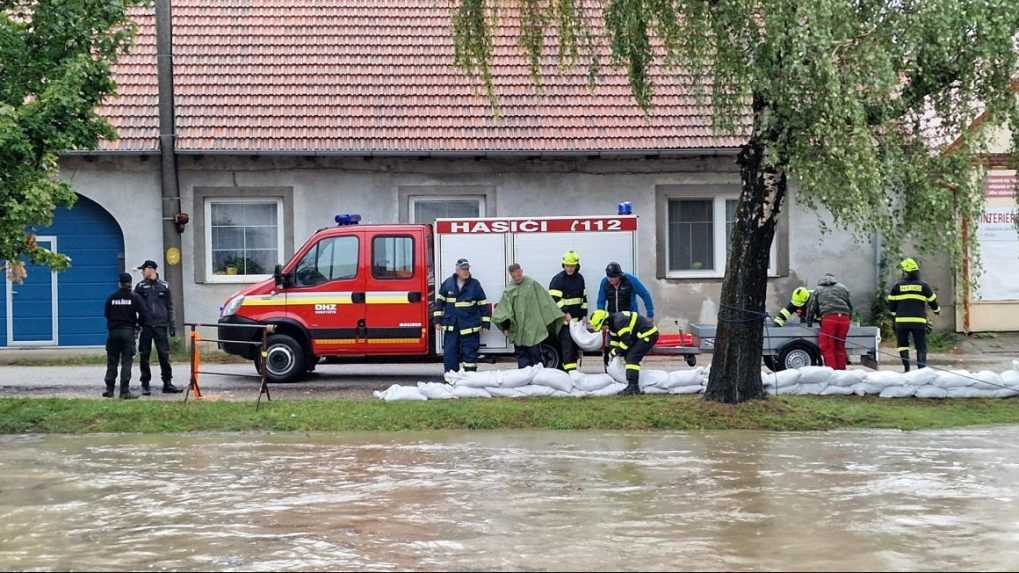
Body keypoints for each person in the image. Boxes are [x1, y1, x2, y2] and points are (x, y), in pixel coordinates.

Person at [493, 264, 564, 368]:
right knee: (522, 358)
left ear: (521, 271)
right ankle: (525, 380)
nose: (517, 278)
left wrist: (557, 314)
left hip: (533, 329)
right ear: (511, 276)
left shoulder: (532, 284)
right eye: (514, 276)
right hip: (518, 330)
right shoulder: (509, 290)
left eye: (518, 275)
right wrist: (505, 327)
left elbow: (545, 301)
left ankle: (539, 380)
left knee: (536, 357)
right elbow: (504, 310)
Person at [433, 258, 491, 373]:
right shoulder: (448, 283)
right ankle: (451, 379)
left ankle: (469, 380)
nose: (466, 271)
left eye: (467, 269)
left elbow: (483, 304)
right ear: (457, 270)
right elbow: (439, 303)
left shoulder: (475, 284)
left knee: (470, 354)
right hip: (452, 326)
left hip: (469, 326)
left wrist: (486, 323)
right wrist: (437, 321)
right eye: (463, 269)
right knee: (450, 354)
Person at [134, 260, 182, 394]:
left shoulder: (164, 285)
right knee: (144, 355)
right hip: (146, 325)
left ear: (151, 270)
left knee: (164, 355)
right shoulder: (140, 286)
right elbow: (134, 307)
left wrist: (172, 325)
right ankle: (145, 383)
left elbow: (170, 306)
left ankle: (167, 383)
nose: (143, 272)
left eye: (144, 270)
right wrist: (137, 326)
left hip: (161, 325)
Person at [590, 309, 659, 396]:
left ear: (606, 322)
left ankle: (633, 387)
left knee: (632, 357)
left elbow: (626, 342)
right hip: (639, 336)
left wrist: (615, 352)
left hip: (648, 334)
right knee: (629, 356)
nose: (602, 330)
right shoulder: (612, 325)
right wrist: (612, 352)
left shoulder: (619, 322)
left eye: (601, 327)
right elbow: (614, 341)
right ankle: (632, 386)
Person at [888, 258, 940, 371]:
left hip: (901, 322)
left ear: (905, 272)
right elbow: (933, 301)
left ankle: (907, 369)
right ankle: (921, 370)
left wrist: (894, 317)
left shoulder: (897, 286)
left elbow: (891, 305)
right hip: (918, 321)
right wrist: (937, 311)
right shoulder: (923, 285)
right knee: (920, 346)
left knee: (903, 345)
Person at [103, 273, 147, 399]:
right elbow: (144, 314)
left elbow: (107, 314)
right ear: (130, 283)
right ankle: (124, 391)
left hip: (113, 333)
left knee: (112, 361)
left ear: (119, 283)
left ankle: (110, 389)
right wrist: (138, 325)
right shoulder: (135, 297)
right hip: (128, 332)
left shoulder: (112, 298)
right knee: (126, 362)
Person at [549, 250, 587, 372]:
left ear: (576, 266)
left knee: (575, 348)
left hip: (577, 322)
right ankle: (568, 373)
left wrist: (584, 315)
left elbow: (583, 298)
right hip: (564, 322)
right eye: (567, 266)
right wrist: (565, 312)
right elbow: (554, 299)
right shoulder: (558, 279)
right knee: (567, 347)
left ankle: (573, 371)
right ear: (563, 265)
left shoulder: (580, 279)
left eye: (572, 266)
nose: (569, 268)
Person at [805, 273, 853, 370]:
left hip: (829, 319)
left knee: (827, 346)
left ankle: (832, 372)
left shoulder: (818, 289)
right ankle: (841, 372)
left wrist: (809, 322)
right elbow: (850, 305)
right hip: (844, 319)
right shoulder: (843, 288)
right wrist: (849, 318)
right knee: (840, 346)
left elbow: (811, 307)